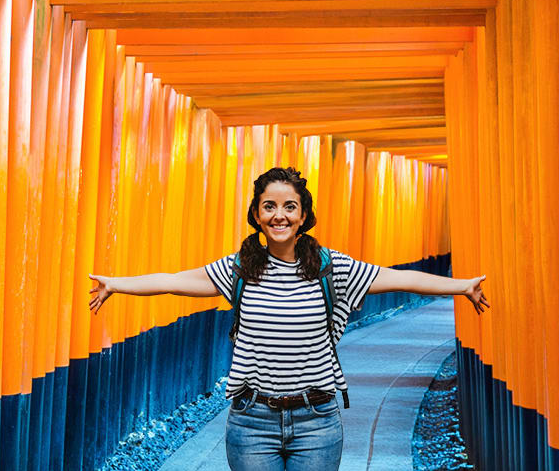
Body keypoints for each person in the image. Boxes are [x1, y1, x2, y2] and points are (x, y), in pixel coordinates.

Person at [87, 166, 490, 471]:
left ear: (303, 216)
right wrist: (116, 284)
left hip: (316, 419)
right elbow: (175, 280)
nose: (279, 215)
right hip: (251, 421)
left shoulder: (333, 269)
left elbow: (399, 277)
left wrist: (461, 286)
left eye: (289, 207)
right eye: (270, 207)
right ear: (258, 216)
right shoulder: (242, 269)